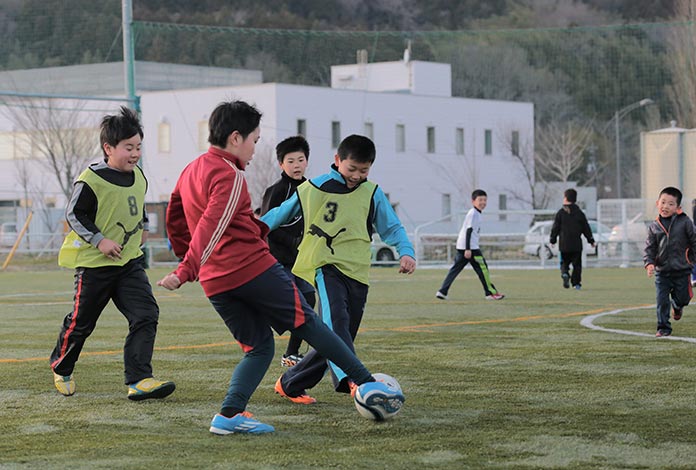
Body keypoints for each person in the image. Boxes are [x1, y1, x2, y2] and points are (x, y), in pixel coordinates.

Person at [157, 101, 387, 435]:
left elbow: (176, 216)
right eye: (254, 140)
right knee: (310, 323)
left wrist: (189, 258)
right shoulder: (229, 174)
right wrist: (186, 268)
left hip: (216, 282)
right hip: (252, 270)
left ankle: (229, 415)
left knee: (259, 347)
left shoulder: (191, 169)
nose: (254, 149)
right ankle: (367, 383)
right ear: (236, 138)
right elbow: (212, 223)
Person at [261, 134, 416, 404]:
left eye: (363, 170)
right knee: (337, 326)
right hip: (326, 267)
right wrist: (250, 231)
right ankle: (355, 379)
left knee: (336, 338)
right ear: (337, 160)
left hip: (358, 271)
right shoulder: (315, 187)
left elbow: (392, 227)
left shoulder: (373, 193)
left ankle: (290, 383)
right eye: (351, 168)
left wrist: (406, 251)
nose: (356, 176)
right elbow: (280, 213)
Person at [49, 107, 175, 401]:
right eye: (128, 148)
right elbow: (74, 214)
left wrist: (145, 227)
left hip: (129, 263)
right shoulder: (91, 179)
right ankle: (61, 367)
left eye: (138, 147)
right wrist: (100, 240)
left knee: (146, 314)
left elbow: (139, 206)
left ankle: (139, 380)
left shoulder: (139, 175)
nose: (135, 154)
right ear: (108, 148)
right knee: (81, 323)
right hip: (95, 266)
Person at [260, 136, 315, 368]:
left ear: (307, 161)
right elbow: (266, 226)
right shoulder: (276, 191)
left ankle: (291, 354)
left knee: (308, 300)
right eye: (290, 161)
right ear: (281, 164)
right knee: (289, 304)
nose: (296, 165)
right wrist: (293, 242)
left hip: (301, 261)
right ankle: (259, 341)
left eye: (300, 160)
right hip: (277, 261)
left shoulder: (312, 190)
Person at [644, 186, 696, 337]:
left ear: (678, 207)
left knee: (684, 298)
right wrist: (649, 263)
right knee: (662, 301)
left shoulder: (685, 222)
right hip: (662, 272)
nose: (665, 206)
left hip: (682, 270)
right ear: (657, 203)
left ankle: (677, 306)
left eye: (670, 204)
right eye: (663, 202)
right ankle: (663, 328)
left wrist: (692, 259)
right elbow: (649, 248)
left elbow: (694, 241)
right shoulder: (654, 226)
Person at [435, 189, 505, 300]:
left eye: (485, 200)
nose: (483, 202)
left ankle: (442, 291)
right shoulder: (473, 213)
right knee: (483, 269)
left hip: (463, 246)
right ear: (473, 201)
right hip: (470, 248)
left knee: (455, 269)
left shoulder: (476, 213)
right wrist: (468, 249)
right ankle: (490, 293)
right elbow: (469, 230)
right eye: (480, 200)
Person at [549, 188, 595, 290]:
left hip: (564, 244)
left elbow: (555, 228)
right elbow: (586, 228)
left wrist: (552, 240)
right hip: (576, 244)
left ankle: (565, 273)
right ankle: (576, 284)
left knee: (564, 263)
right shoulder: (579, 213)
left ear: (565, 198)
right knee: (577, 265)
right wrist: (591, 240)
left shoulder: (561, 213)